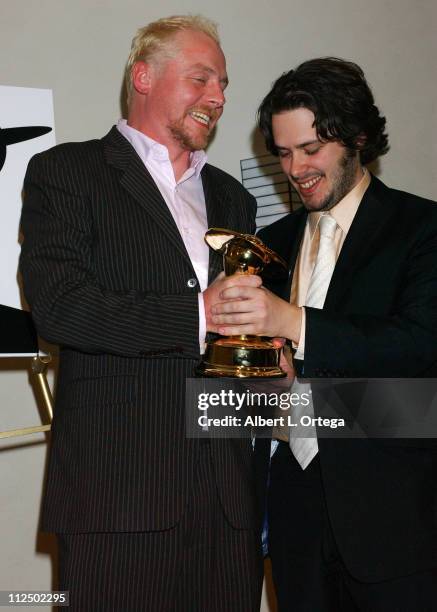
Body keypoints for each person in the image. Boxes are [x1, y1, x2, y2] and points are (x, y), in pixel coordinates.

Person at [19, 15, 262, 611]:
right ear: (144, 76)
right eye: (202, 78)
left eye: (224, 84)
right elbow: (59, 306)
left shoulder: (234, 196)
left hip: (229, 499)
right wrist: (195, 317)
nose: (219, 97)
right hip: (118, 495)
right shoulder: (67, 172)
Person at [210, 58, 437, 610]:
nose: (296, 168)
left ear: (358, 136)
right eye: (283, 154)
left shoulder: (422, 228)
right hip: (293, 515)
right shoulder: (272, 241)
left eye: (311, 149)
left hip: (397, 522)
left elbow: (419, 347)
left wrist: (291, 322)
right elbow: (249, 400)